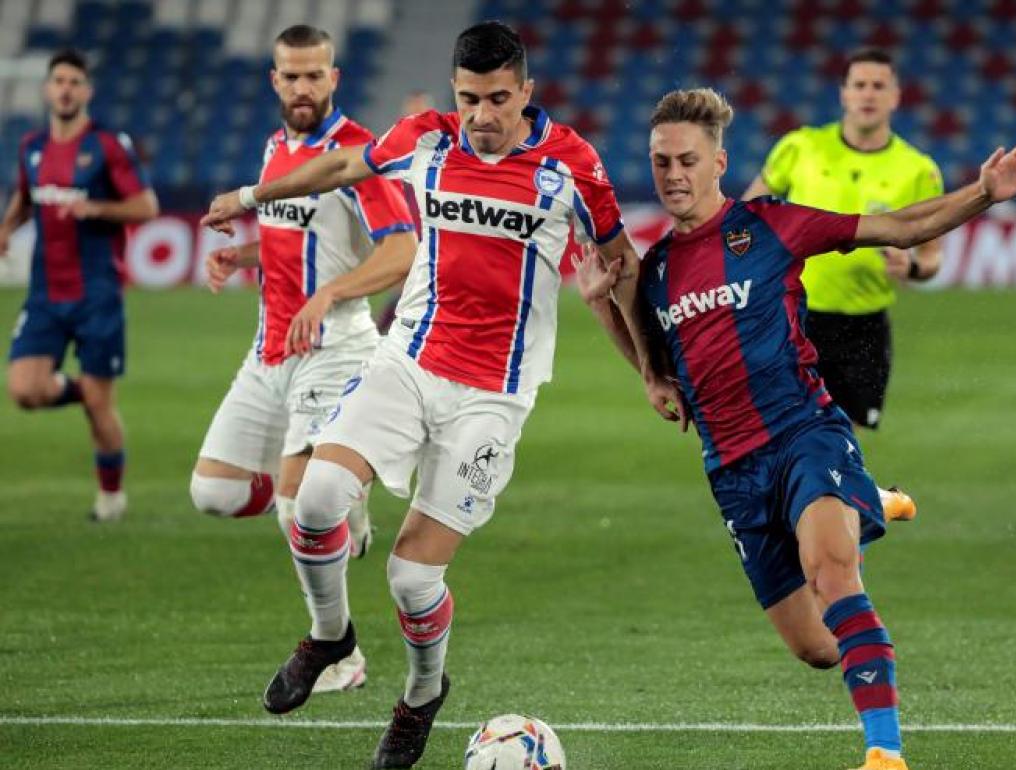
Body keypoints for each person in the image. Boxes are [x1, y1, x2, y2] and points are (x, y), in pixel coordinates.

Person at [201, 21, 670, 769]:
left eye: (497, 99)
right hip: (409, 361)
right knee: (316, 501)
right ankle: (330, 637)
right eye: (469, 99)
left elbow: (622, 266)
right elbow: (341, 165)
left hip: (494, 394)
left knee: (413, 578)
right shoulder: (426, 137)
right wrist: (251, 195)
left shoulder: (571, 164)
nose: (481, 115)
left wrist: (649, 367)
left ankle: (421, 695)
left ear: (526, 92)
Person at [578, 88, 1016, 770]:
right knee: (819, 648)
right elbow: (661, 373)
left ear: (719, 163)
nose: (673, 175)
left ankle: (884, 753)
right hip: (733, 471)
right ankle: (868, 499)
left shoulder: (771, 225)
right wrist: (604, 312)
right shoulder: (655, 273)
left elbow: (899, 228)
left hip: (805, 434)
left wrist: (981, 193)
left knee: (833, 576)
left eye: (687, 160)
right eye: (661, 162)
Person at [189, 24, 417, 696]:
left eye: (315, 75)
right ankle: (342, 505)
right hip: (269, 350)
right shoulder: (274, 149)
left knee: (296, 508)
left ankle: (340, 652)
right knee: (214, 493)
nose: (303, 87)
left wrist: (330, 294)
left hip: (335, 348)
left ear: (334, 78)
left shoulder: (357, 153)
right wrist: (242, 256)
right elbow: (296, 240)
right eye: (291, 76)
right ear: (274, 80)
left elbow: (402, 250)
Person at [743, 48, 944, 431]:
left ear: (895, 96)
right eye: (860, 85)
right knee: (787, 433)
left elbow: (933, 257)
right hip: (793, 316)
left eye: (878, 86)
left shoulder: (918, 171)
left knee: (845, 443)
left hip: (864, 329)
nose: (868, 94)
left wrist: (914, 267)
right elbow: (747, 217)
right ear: (844, 93)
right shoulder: (800, 147)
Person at [0, 49, 158, 522]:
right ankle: (81, 390)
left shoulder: (107, 145)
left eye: (74, 82)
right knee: (24, 390)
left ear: (87, 91)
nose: (66, 90)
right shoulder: (32, 146)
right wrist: (7, 227)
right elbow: (26, 197)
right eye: (59, 81)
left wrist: (97, 209)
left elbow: (146, 206)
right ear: (47, 89)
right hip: (45, 295)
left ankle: (111, 497)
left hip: (97, 295)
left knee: (100, 408)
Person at [375, 90, 437, 334]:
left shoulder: (445, 155)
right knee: (405, 297)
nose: (415, 121)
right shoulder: (390, 155)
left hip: (436, 239)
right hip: (405, 235)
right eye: (411, 114)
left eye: (421, 114)